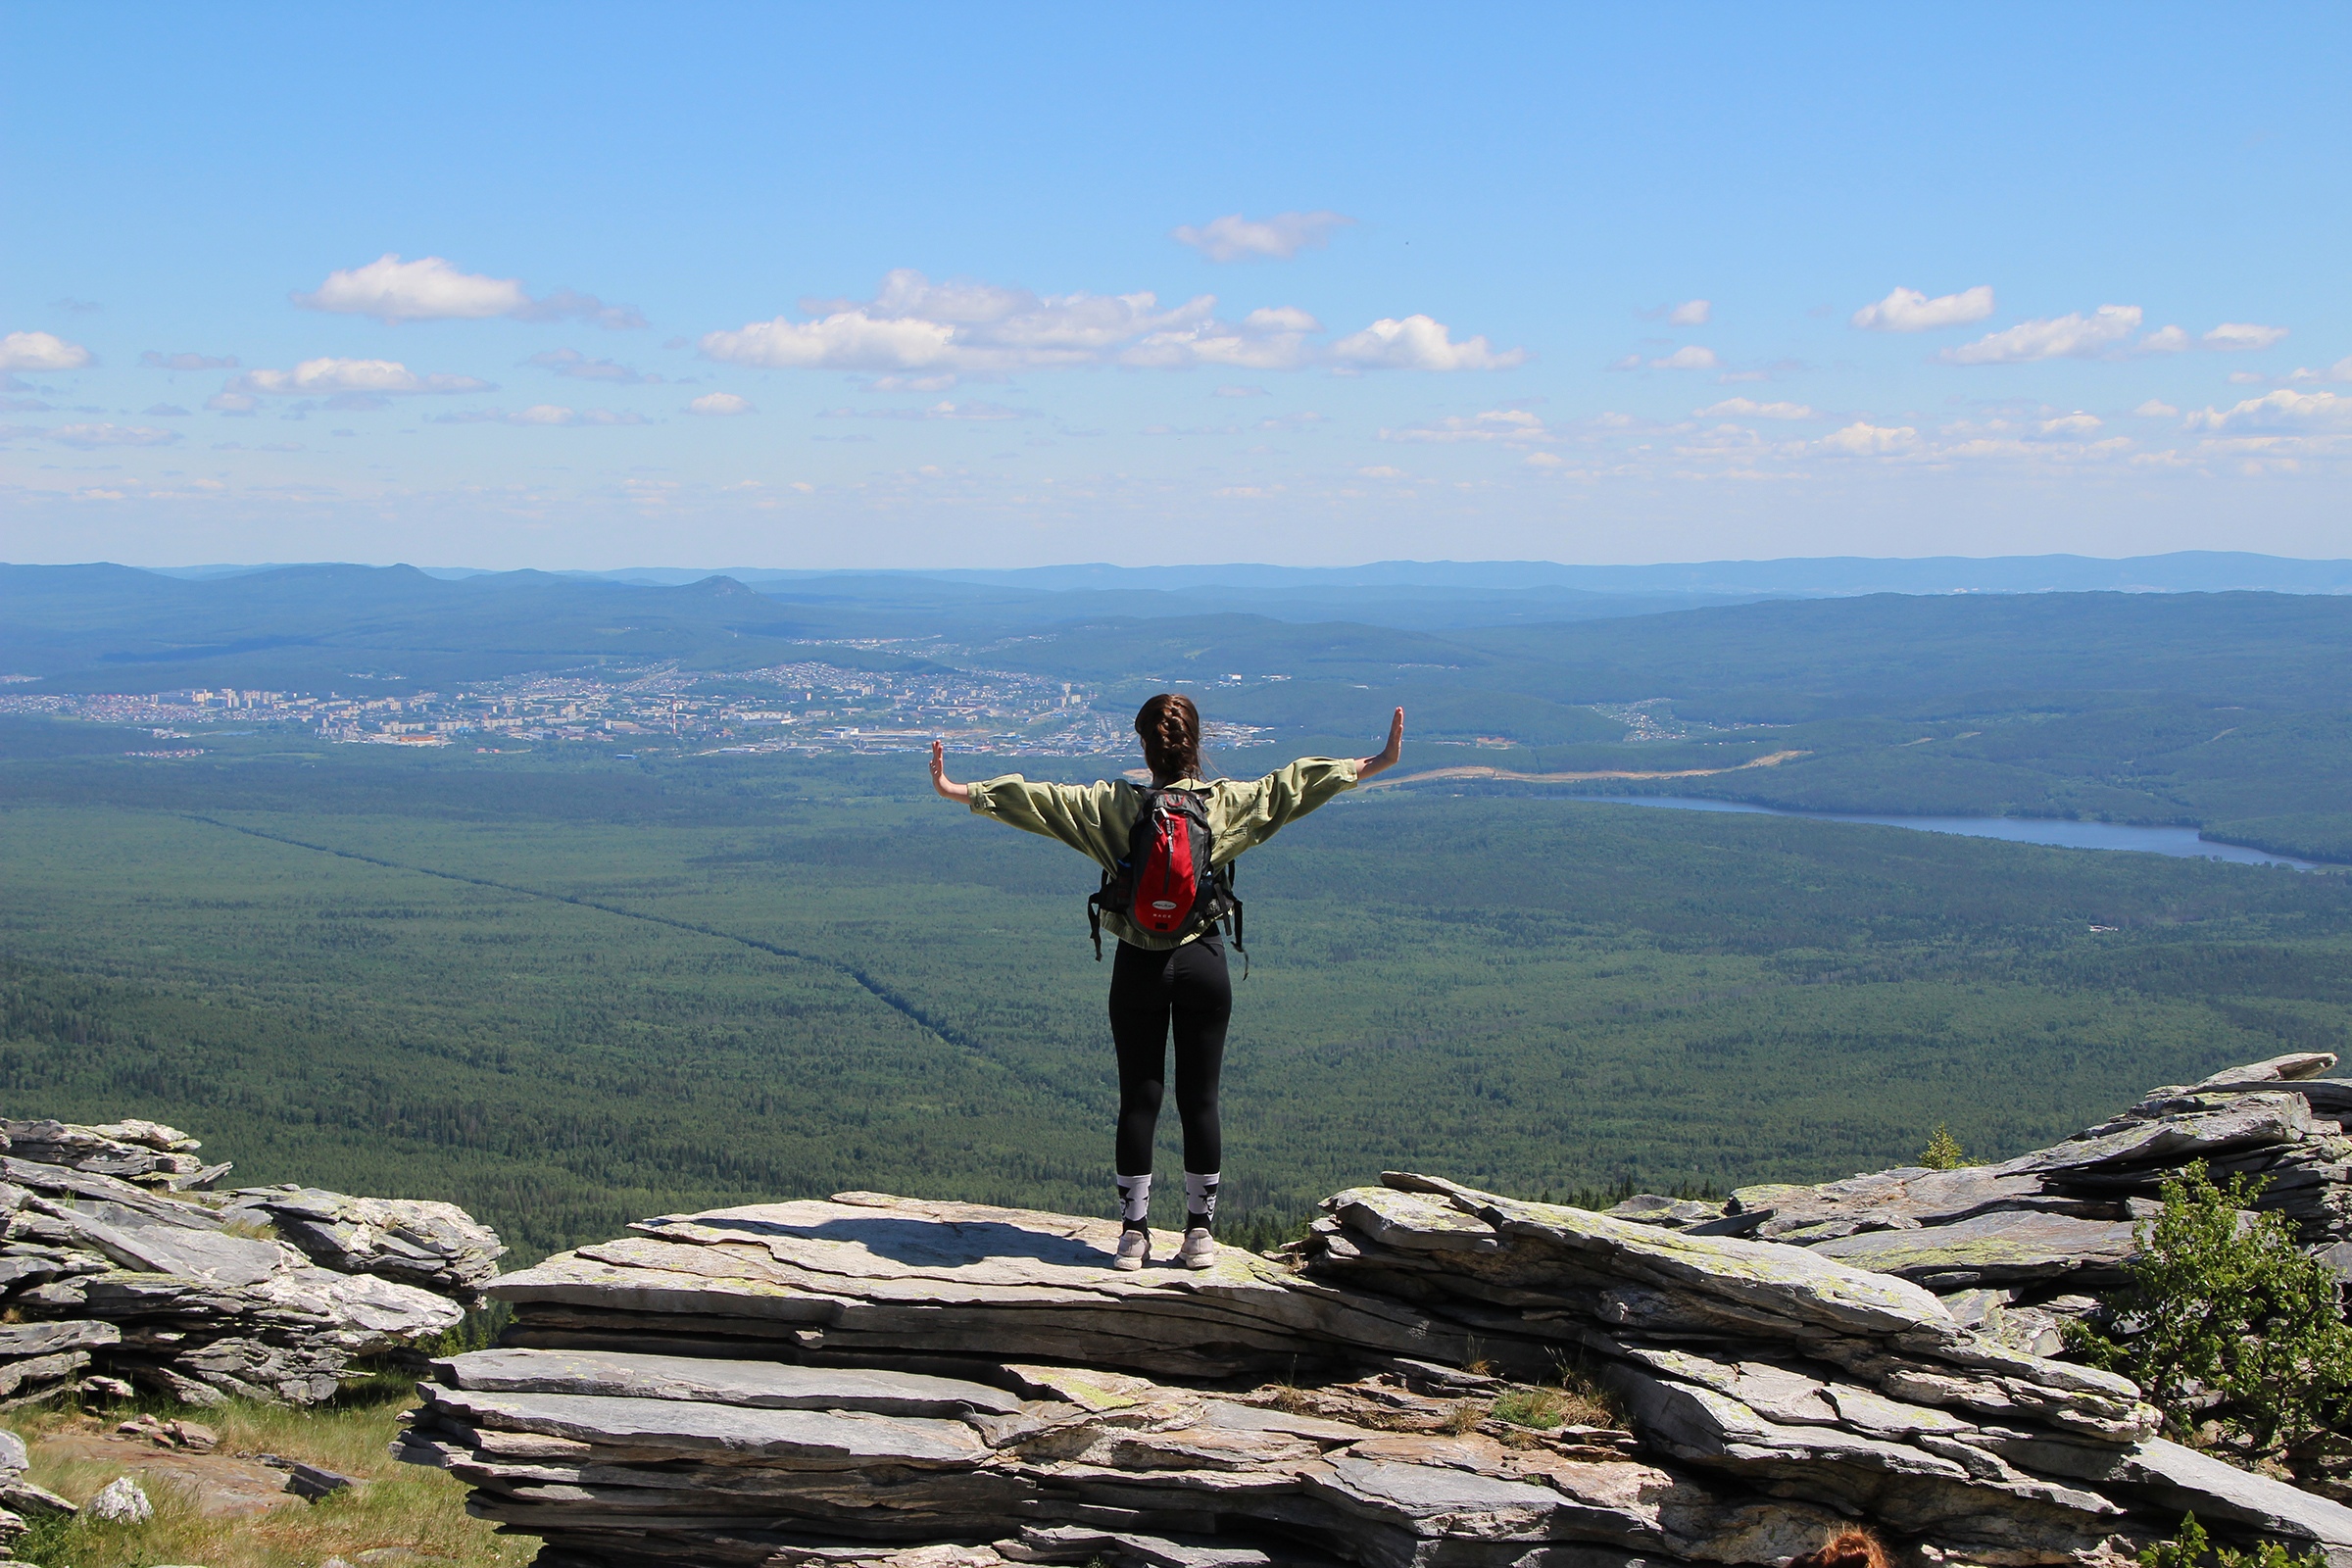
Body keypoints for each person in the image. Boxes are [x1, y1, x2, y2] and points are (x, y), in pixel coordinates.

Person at [931, 696, 1405, 1271]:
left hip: (1138, 965)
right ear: (1195, 744)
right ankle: (1199, 1234)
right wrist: (1372, 763)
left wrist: (959, 790)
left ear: (1144, 747)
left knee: (1140, 1097)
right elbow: (1289, 788)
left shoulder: (1113, 805)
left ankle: (1133, 1236)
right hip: (1204, 961)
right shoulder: (1222, 804)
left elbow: (1042, 802)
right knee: (1199, 1099)